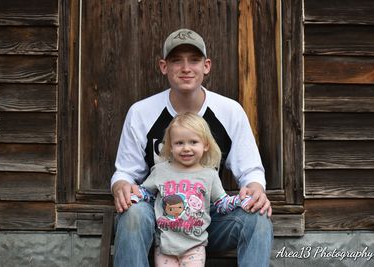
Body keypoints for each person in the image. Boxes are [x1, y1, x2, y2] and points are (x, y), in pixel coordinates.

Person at [111, 28, 273, 267]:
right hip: (159, 218)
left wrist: (256, 190)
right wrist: (121, 186)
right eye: (176, 60)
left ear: (206, 66)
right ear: (164, 66)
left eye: (194, 60)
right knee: (132, 213)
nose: (186, 68)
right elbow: (125, 172)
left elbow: (250, 171)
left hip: (206, 220)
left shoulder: (229, 111)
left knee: (258, 218)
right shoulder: (141, 112)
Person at [130, 112, 253, 266]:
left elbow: (222, 203)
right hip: (164, 245)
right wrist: (134, 194)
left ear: (206, 145)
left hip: (195, 246)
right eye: (179, 143)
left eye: (193, 142)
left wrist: (239, 201)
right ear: (170, 146)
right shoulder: (160, 171)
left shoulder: (210, 174)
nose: (186, 148)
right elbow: (146, 193)